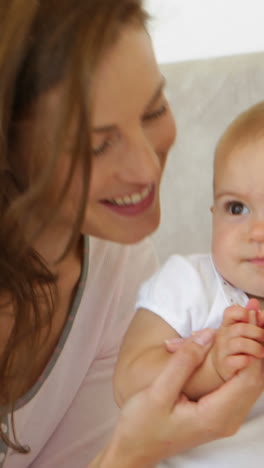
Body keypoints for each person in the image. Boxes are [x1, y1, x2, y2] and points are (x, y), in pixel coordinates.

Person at [1, 1, 264, 467]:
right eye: (97, 146)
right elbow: (137, 384)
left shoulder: (115, 258)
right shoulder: (190, 286)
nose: (147, 169)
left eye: (153, 110)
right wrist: (136, 450)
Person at [114, 101, 264, 467]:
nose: (256, 233)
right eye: (237, 208)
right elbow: (128, 380)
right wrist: (209, 366)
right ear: (213, 213)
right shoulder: (190, 283)